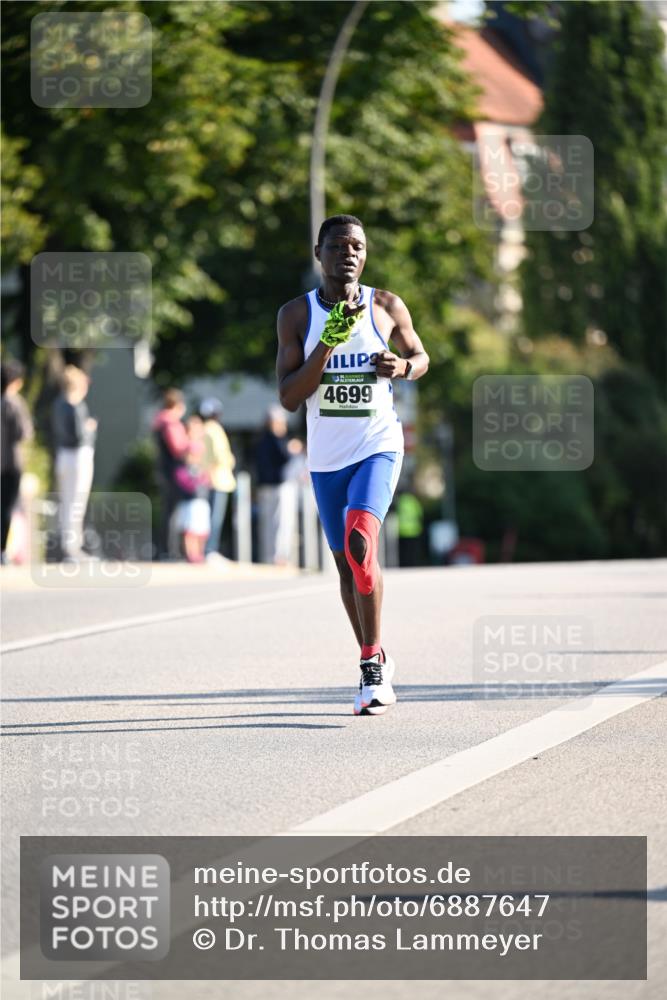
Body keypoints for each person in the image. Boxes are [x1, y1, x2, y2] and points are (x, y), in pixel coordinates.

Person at [276, 214, 429, 715]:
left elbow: (421, 356)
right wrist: (328, 343)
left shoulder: (386, 305)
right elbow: (290, 398)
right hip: (326, 458)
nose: (350, 254)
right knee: (347, 567)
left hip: (378, 444)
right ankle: (375, 653)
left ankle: (371, 668)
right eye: (339, 245)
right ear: (318, 253)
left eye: (358, 246)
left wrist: (403, 367)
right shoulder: (296, 316)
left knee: (362, 540)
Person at [51, 365, 97, 562]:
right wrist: (90, 428)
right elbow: (79, 435)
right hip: (78, 456)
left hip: (63, 455)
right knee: (77, 502)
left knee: (67, 502)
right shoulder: (76, 405)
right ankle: (72, 549)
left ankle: (67, 546)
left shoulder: (58, 403)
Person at [255, 406, 301, 565]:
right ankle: (278, 557)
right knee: (280, 523)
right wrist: (292, 448)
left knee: (269, 524)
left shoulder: (261, 439)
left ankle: (270, 556)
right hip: (279, 486)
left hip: (266, 486)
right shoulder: (275, 439)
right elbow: (285, 457)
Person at [1, 360, 33, 565]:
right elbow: (24, 432)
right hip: (11, 463)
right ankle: (3, 549)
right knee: (7, 507)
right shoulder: (14, 403)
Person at [152, 388, 189, 559]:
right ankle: (169, 550)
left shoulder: (160, 421)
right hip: (173, 471)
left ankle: (166, 549)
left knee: (168, 510)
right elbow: (178, 448)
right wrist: (193, 445)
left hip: (165, 469)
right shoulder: (170, 422)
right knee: (172, 511)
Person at [198, 398, 236, 561]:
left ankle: (207, 550)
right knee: (214, 518)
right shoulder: (215, 430)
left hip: (208, 478)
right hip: (218, 479)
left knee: (209, 517)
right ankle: (210, 550)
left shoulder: (203, 429)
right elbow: (221, 456)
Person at [172, 414, 211, 563]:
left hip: (201, 492)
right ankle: (191, 554)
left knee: (201, 528)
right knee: (190, 528)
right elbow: (185, 466)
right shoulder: (185, 447)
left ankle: (199, 554)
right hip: (190, 493)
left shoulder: (201, 445)